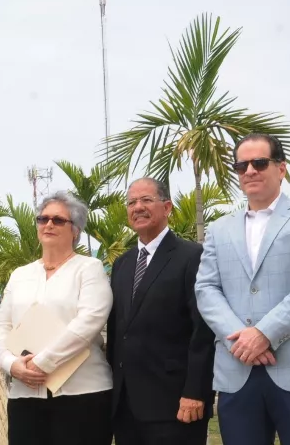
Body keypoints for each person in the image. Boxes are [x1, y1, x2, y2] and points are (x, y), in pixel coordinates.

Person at [195, 133, 290, 445]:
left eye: (259, 162)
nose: (249, 171)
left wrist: (264, 334)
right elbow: (206, 289)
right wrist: (240, 338)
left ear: (281, 168)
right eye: (241, 165)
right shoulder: (219, 229)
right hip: (237, 369)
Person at [0, 191, 113, 445]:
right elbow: (2, 327)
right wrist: (12, 365)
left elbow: (89, 321)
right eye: (42, 218)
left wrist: (43, 363)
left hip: (82, 395)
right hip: (25, 394)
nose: (48, 224)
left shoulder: (88, 269)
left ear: (75, 230)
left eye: (58, 220)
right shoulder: (20, 275)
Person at [106, 178, 214, 445]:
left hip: (176, 404)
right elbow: (119, 330)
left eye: (146, 200)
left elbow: (204, 330)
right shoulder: (122, 263)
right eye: (131, 202)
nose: (138, 207)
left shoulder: (193, 256)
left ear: (167, 207)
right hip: (126, 406)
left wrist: (196, 392)